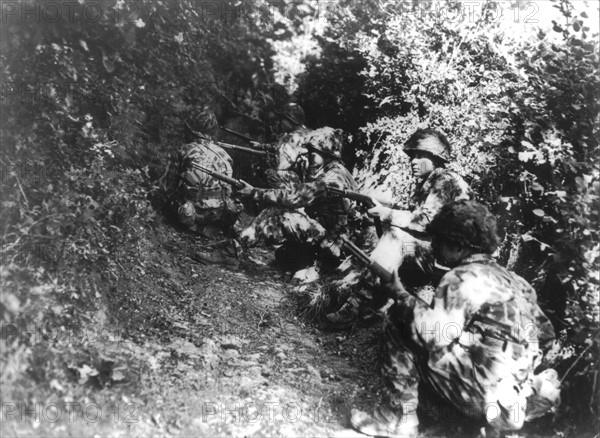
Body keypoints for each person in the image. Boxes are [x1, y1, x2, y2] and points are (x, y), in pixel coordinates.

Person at [350, 200, 560, 437]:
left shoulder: (462, 277)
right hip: (513, 390)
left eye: (439, 241)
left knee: (400, 323)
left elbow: (430, 335)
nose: (435, 246)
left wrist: (398, 293)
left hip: (481, 393)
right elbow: (546, 336)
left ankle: (397, 419)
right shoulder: (515, 281)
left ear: (459, 247)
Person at [326, 128, 471, 325]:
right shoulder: (433, 181)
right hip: (437, 254)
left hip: (447, 261)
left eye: (420, 156)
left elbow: (424, 221)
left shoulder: (445, 182)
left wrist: (386, 214)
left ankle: (357, 304)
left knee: (396, 236)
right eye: (412, 156)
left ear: (435, 158)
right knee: (394, 234)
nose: (413, 160)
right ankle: (371, 302)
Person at [235, 128, 358, 272]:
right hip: (330, 239)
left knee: (283, 212)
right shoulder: (335, 170)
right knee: (284, 256)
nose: (309, 154)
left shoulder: (332, 178)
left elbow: (295, 198)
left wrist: (254, 192)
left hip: (335, 247)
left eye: (314, 151)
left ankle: (233, 249)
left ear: (327, 154)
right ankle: (239, 242)